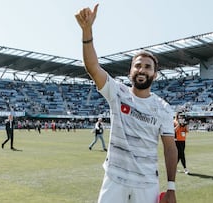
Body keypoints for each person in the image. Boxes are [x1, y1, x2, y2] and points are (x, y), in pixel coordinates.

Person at [75, 4, 177, 203]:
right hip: (114, 179)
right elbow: (92, 67)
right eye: (137, 65)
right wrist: (87, 32)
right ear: (130, 71)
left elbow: (170, 148)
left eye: (147, 67)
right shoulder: (117, 92)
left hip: (147, 184)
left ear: (154, 74)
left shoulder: (163, 108)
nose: (142, 69)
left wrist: (171, 187)